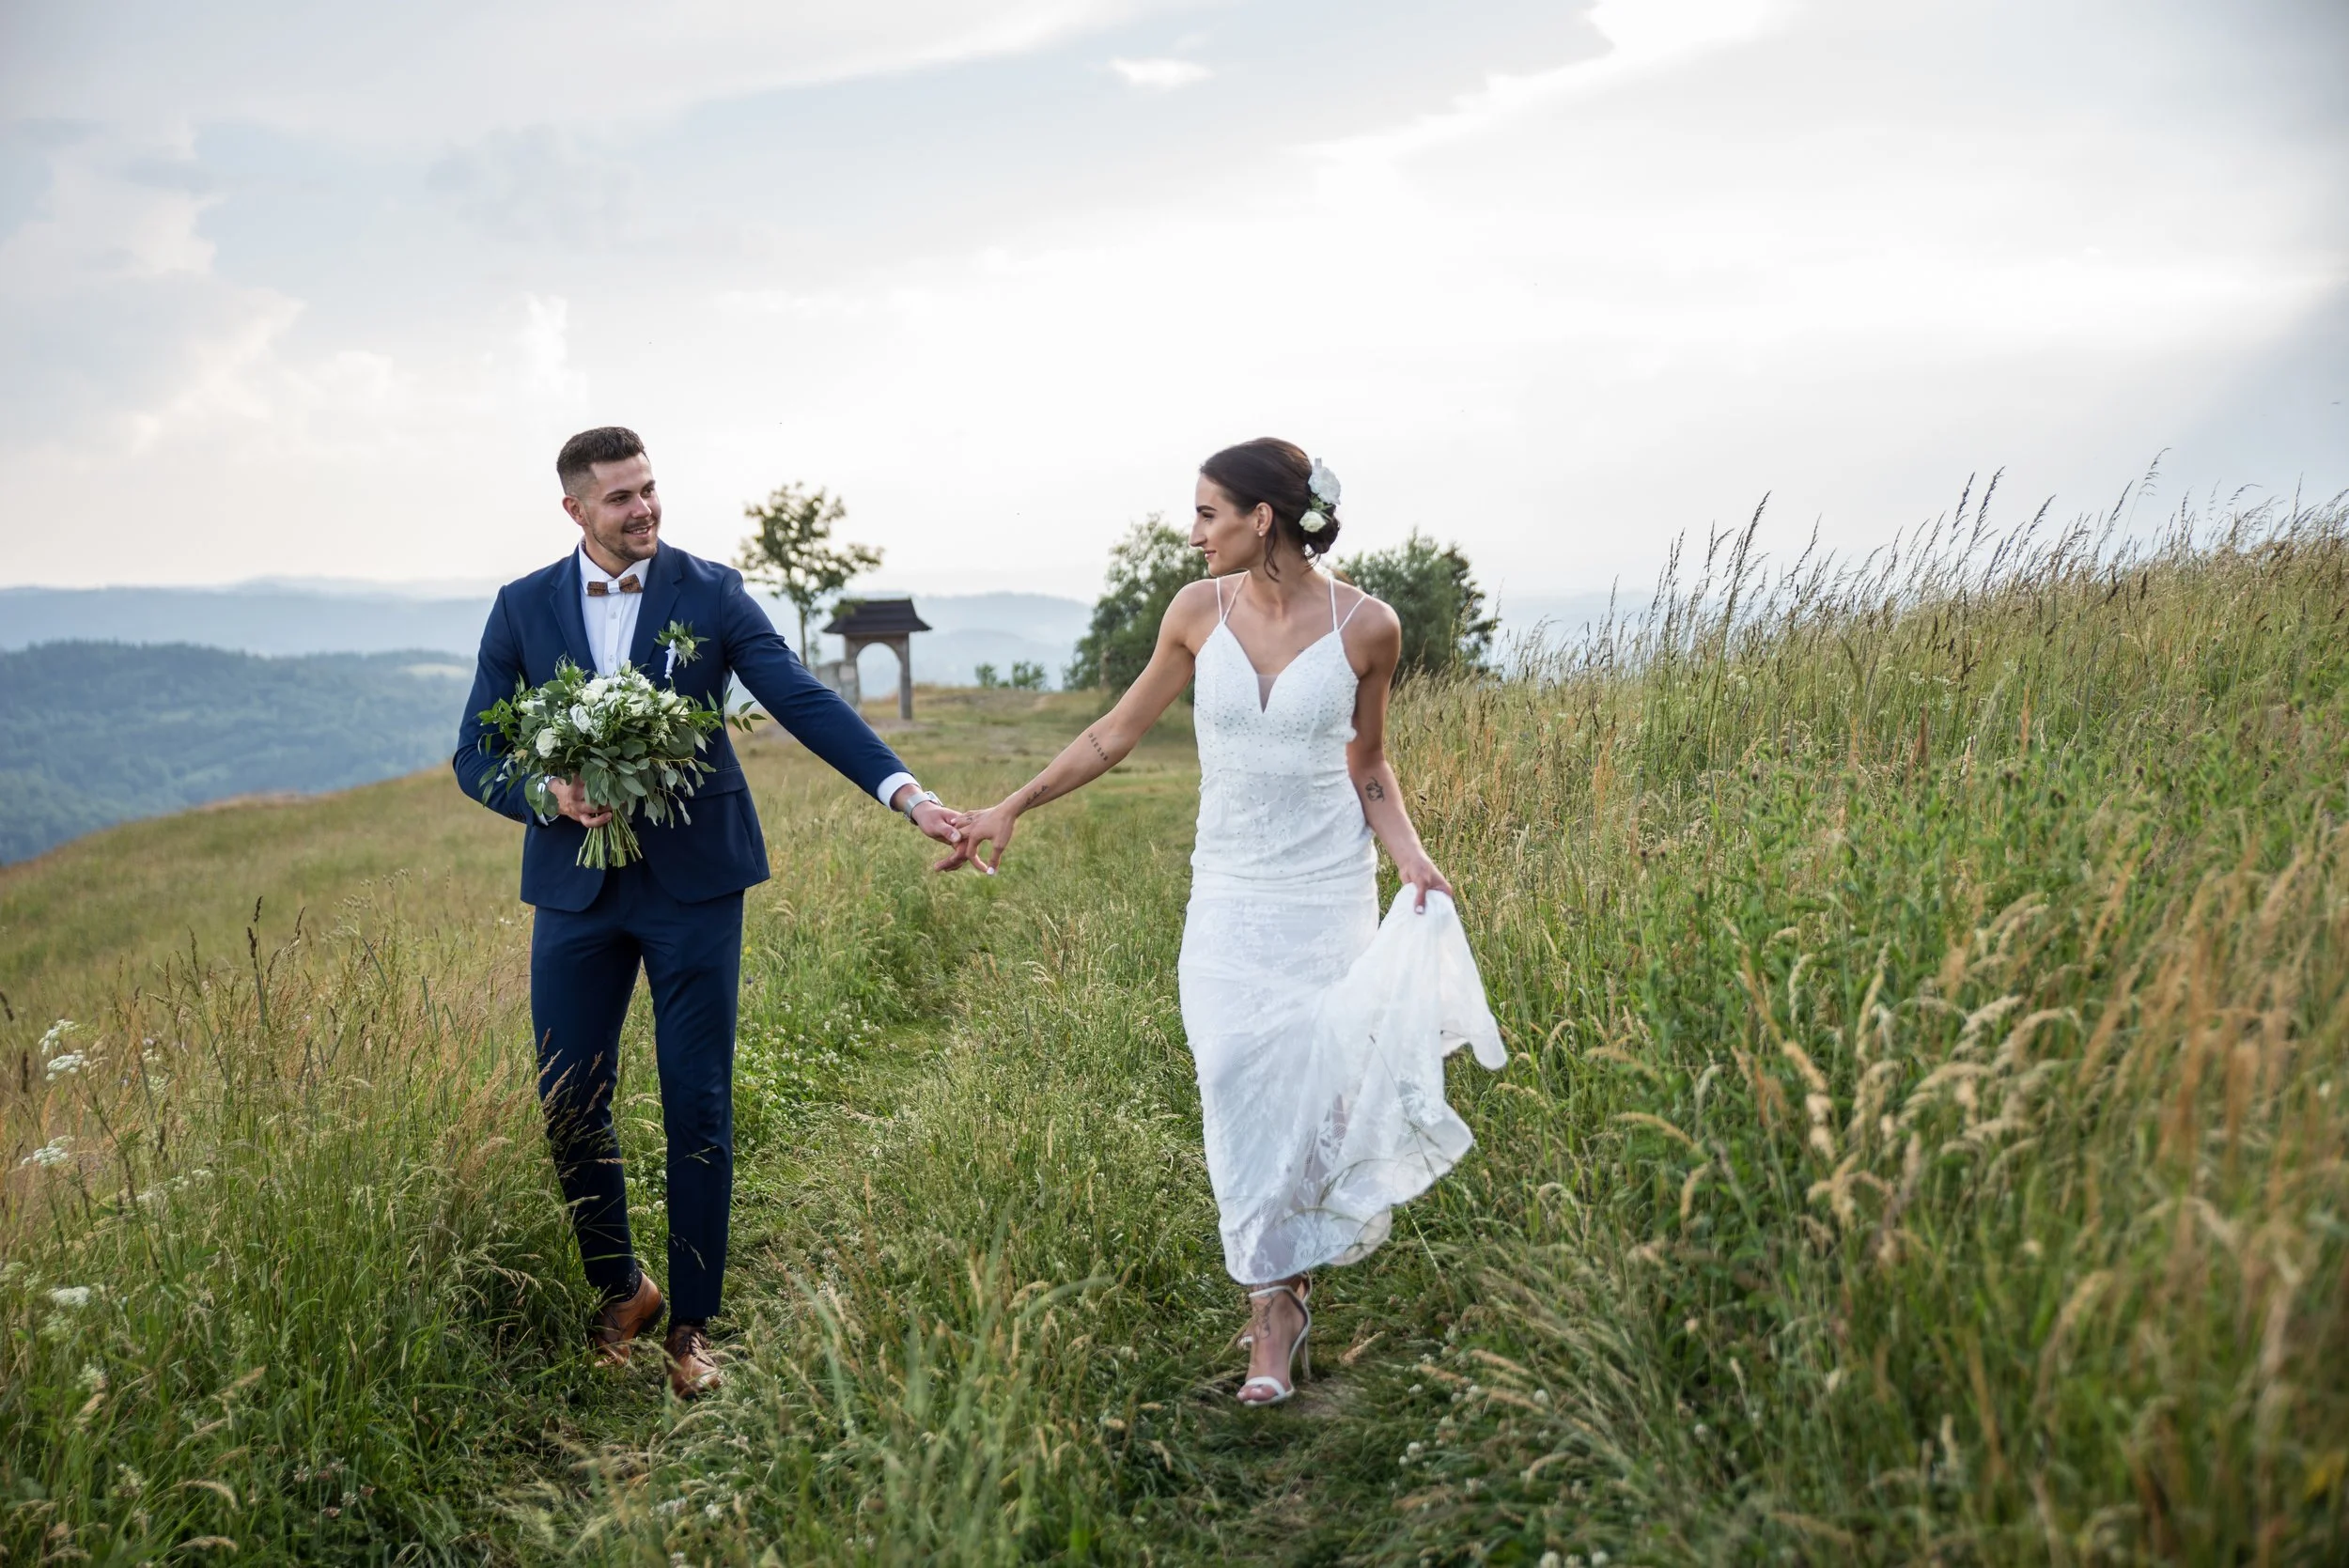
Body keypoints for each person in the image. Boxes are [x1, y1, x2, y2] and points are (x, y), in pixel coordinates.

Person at [943, 437, 1505, 1405]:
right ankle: (1268, 1291)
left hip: (1325, 896)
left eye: (1207, 513)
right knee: (1234, 1078)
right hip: (1230, 899)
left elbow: (1367, 763)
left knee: (1314, 1091)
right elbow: (1111, 734)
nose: (1192, 531)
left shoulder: (1369, 627)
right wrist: (1009, 806)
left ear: (1261, 518)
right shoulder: (1194, 613)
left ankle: (1277, 1307)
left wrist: (1412, 856)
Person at [453, 426, 963, 1398]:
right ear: (574, 511)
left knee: (697, 1098)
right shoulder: (521, 608)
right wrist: (548, 793)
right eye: (619, 498)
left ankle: (690, 1326)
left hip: (695, 882)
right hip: (576, 887)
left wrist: (908, 794)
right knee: (567, 1100)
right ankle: (621, 1288)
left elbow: (799, 699)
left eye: (648, 489)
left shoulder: (712, 592)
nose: (642, 509)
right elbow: (476, 753)